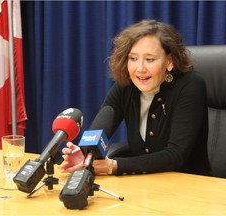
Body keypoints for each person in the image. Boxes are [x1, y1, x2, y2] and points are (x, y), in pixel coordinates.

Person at [58, 19, 211, 176]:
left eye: (150, 59)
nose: (140, 69)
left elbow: (175, 156)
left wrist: (115, 165)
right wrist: (85, 155)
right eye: (133, 58)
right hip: (142, 185)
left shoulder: (190, 85)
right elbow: (97, 134)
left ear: (169, 61)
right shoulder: (126, 86)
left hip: (188, 186)